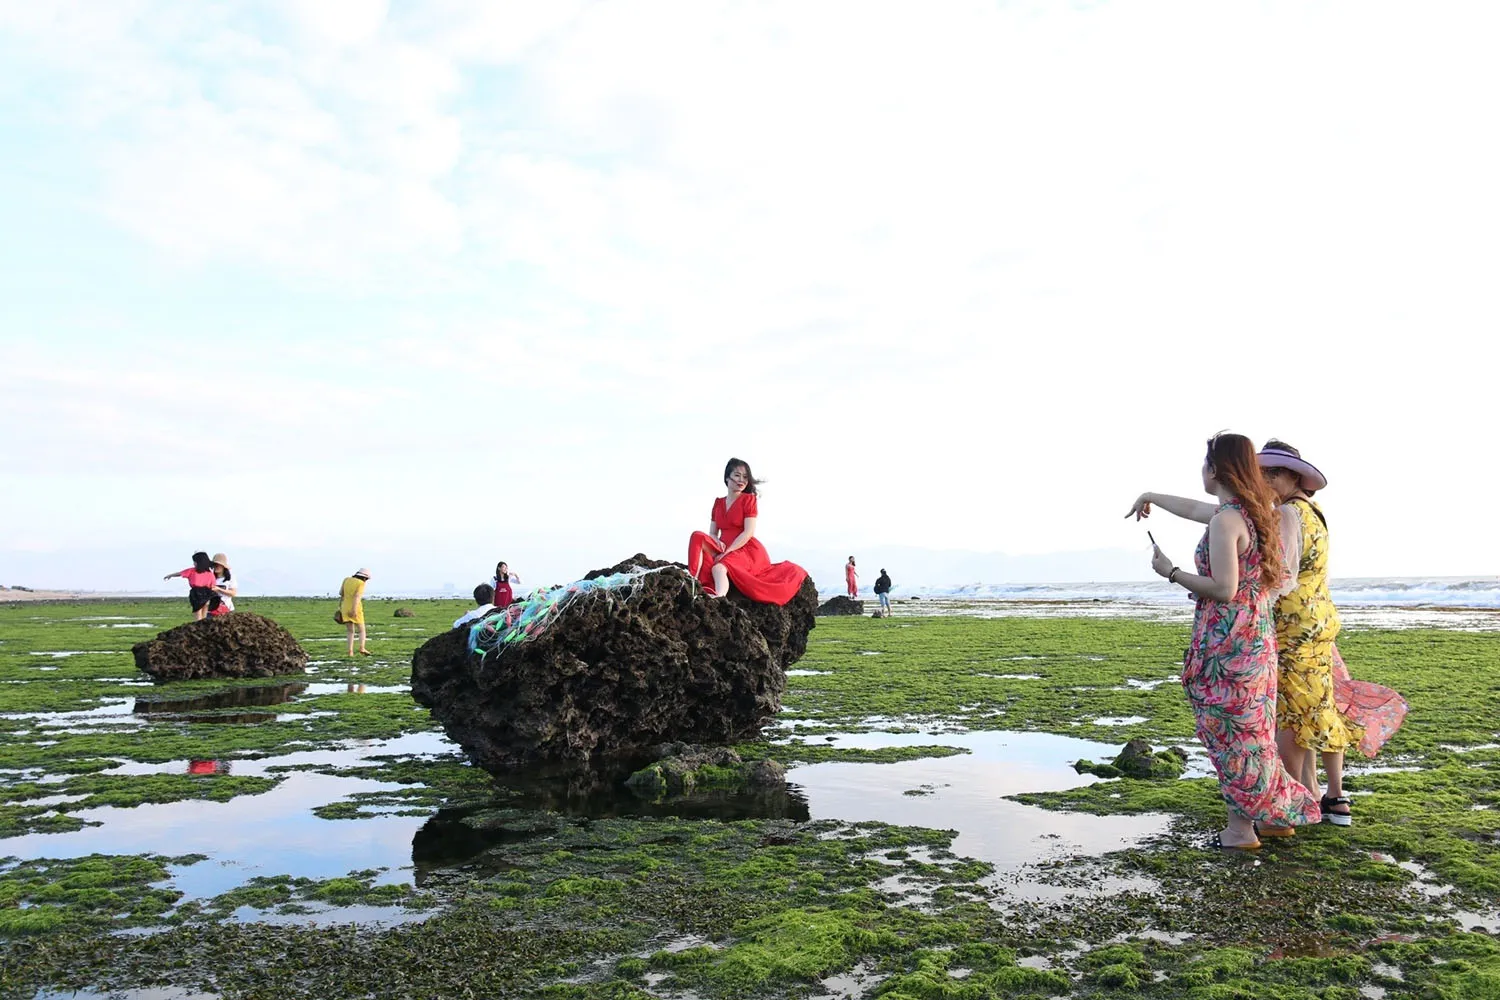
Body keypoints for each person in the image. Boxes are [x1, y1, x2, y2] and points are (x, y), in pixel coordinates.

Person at [1128, 432, 1320, 849]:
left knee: (1230, 734)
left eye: (1204, 464)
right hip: (1256, 639)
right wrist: (1151, 496)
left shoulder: (1227, 520)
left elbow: (1224, 588)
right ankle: (1272, 819)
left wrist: (1171, 571)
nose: (1201, 471)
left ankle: (1240, 830)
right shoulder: (1256, 515)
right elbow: (1197, 509)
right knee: (1251, 733)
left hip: (1228, 642)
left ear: (1216, 470)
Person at [1260, 440, 1402, 827]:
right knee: (1320, 704)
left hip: (1292, 622)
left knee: (1291, 712)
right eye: (1263, 473)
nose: (1266, 479)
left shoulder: (1288, 513)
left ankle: (1295, 800)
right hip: (1319, 618)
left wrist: (1245, 597)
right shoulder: (1315, 512)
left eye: (1274, 472)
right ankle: (1333, 796)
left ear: (1294, 477)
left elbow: (1283, 578)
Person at [687, 458, 809, 605]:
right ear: (727, 477)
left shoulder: (748, 500)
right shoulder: (718, 503)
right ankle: (693, 580)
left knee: (718, 568)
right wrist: (717, 542)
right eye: (737, 475)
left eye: (745, 477)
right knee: (697, 536)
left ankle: (719, 598)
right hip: (723, 545)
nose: (741, 480)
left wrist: (727, 552)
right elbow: (712, 532)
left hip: (745, 548)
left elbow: (748, 532)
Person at [164, 552, 219, 621]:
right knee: (204, 614)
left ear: (199, 562)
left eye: (195, 562)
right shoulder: (210, 574)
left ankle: (199, 628)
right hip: (208, 594)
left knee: (198, 614)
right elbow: (213, 586)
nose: (194, 564)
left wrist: (170, 575)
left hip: (196, 594)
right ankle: (204, 628)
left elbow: (180, 573)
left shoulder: (192, 571)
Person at [340, 568, 371, 657]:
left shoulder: (346, 580)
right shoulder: (361, 583)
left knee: (350, 631)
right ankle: (362, 647)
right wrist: (354, 610)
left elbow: (341, 593)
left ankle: (350, 652)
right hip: (356, 608)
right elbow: (357, 597)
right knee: (361, 630)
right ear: (364, 578)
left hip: (345, 607)